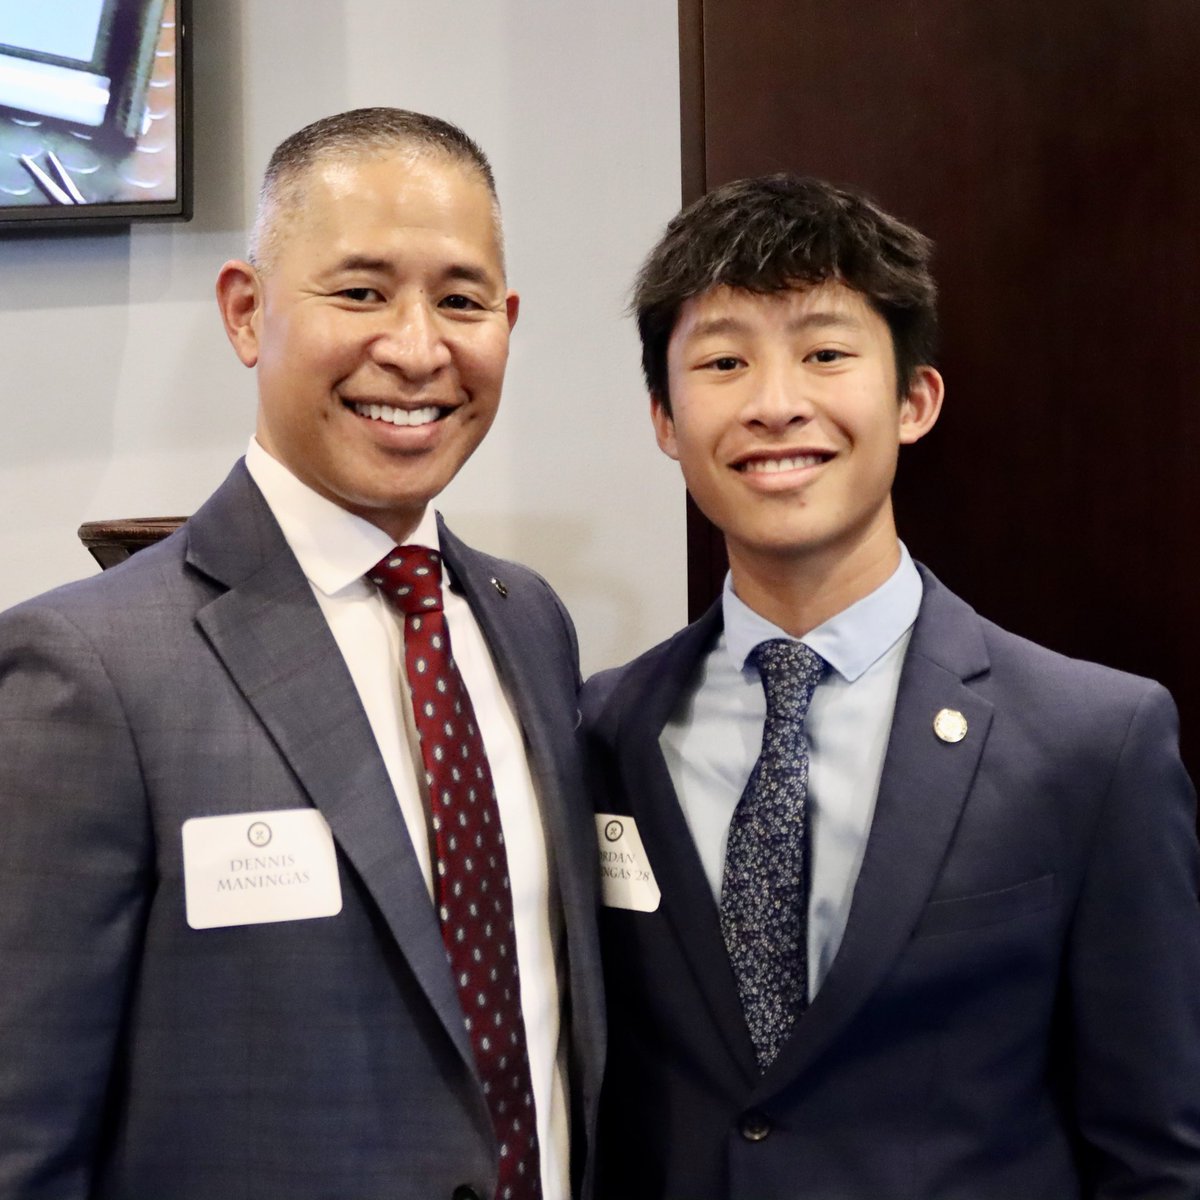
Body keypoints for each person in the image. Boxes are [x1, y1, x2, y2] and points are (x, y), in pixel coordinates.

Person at [0, 108, 603, 1200]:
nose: (418, 348)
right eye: (362, 292)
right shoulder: (85, 670)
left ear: (507, 322)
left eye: (461, 301)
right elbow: (20, 1131)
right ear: (247, 311)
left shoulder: (532, 624)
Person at [583, 173, 1200, 1199]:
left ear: (915, 400)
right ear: (664, 417)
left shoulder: (1096, 742)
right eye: (724, 361)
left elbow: (1157, 1152)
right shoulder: (598, 729)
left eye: (826, 354)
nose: (776, 405)